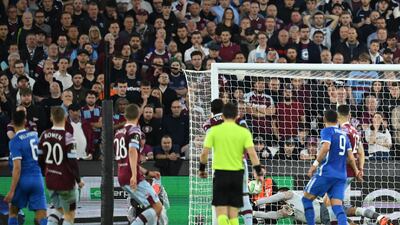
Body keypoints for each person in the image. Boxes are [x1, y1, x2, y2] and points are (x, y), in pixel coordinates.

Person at [199, 102, 264, 225]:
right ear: (235, 114)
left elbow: (204, 153)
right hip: (239, 164)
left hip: (221, 168)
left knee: (222, 205)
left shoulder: (210, 126)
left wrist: (202, 169)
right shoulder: (241, 125)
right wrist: (259, 172)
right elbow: (252, 153)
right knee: (243, 197)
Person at [302, 109, 360, 225]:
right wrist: (357, 171)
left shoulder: (327, 131)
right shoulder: (344, 134)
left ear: (324, 119)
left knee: (306, 199)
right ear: (337, 119)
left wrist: (314, 165)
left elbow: (326, 148)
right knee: (337, 206)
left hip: (327, 173)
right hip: (341, 176)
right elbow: (350, 157)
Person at [114, 104, 165, 225]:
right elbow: (132, 152)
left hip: (121, 174)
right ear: (139, 115)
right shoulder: (134, 130)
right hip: (132, 176)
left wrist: (148, 173)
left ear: (125, 116)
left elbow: (126, 159)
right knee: (157, 207)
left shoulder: (118, 133)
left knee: (152, 208)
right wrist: (133, 175)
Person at [38, 106, 84, 225]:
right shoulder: (68, 136)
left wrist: (45, 172)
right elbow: (72, 162)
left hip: (50, 180)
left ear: (51, 118)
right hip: (65, 182)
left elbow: (39, 158)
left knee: (59, 209)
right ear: (65, 117)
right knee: (70, 212)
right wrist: (78, 180)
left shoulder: (44, 135)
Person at [254, 188, 393, 225]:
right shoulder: (287, 211)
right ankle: (373, 219)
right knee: (351, 218)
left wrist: (257, 202)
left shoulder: (292, 194)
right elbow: (270, 215)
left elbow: (277, 196)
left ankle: (379, 217)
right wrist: (253, 213)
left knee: (352, 210)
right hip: (325, 218)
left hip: (325, 209)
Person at [4, 110, 48, 225]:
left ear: (12, 123)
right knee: (41, 215)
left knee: (13, 211)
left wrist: (12, 191)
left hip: (23, 180)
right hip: (37, 179)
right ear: (25, 121)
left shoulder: (14, 141)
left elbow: (17, 168)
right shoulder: (34, 135)